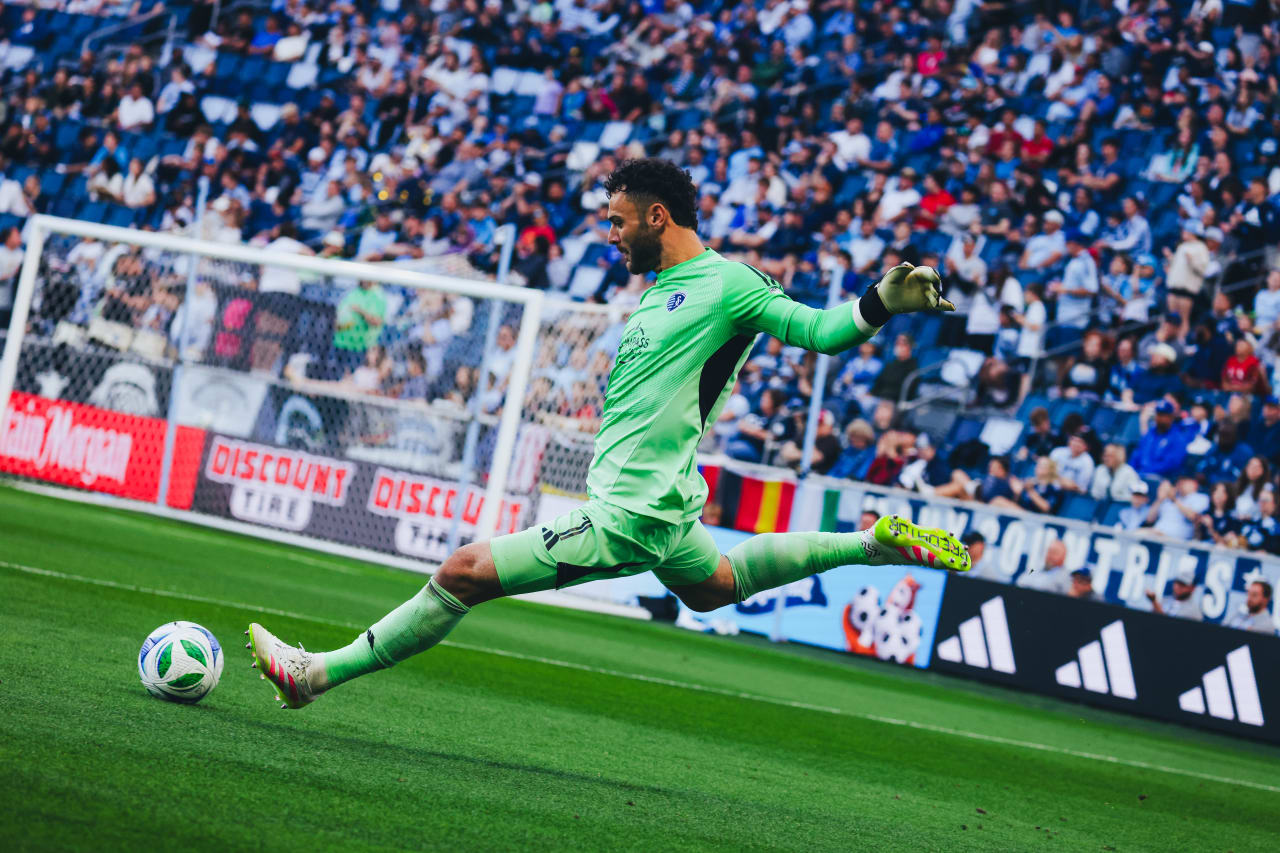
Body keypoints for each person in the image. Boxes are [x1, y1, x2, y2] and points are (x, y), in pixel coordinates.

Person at [247, 158, 971, 708]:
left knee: (463, 571)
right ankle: (870, 542)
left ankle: (313, 674)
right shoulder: (659, 294)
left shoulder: (729, 283)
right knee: (716, 584)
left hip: (632, 511)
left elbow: (819, 330)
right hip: (663, 501)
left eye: (618, 220)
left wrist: (881, 301)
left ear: (657, 216)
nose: (611, 232)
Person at [1049, 428, 1096, 493]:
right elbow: (1046, 474)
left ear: (1086, 446)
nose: (1075, 443)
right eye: (1073, 439)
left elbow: (1080, 489)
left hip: (1070, 495)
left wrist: (1057, 479)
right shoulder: (1057, 452)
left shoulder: (1088, 462)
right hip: (1050, 488)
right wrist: (1062, 481)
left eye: (1080, 441)